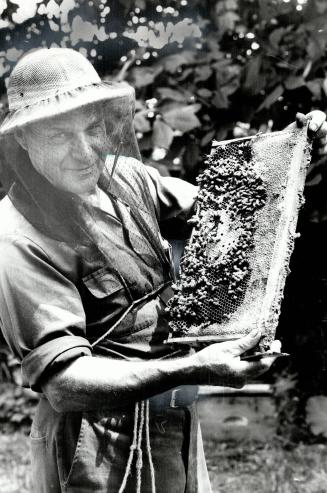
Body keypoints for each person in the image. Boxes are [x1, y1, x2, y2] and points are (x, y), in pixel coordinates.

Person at [0, 48, 326, 493]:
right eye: (58, 136)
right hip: (92, 446)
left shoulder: (129, 179)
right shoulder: (17, 237)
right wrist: (194, 368)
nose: (83, 153)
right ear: (23, 139)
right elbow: (64, 384)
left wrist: (295, 155)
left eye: (93, 129)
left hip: (172, 421)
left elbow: (230, 203)